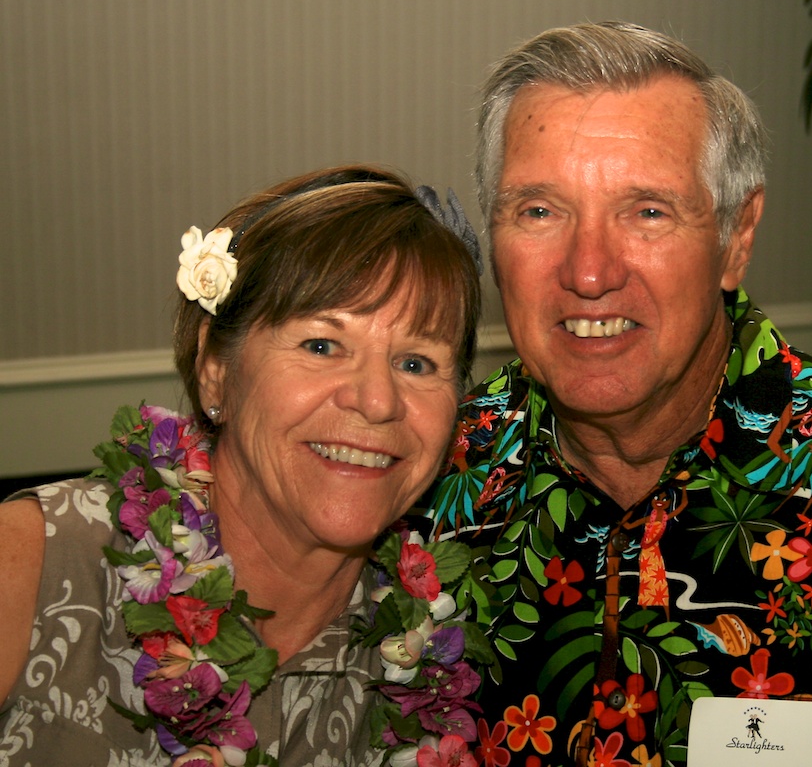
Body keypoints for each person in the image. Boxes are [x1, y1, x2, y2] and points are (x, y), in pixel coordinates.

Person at [425, 22, 812, 767]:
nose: (588, 272)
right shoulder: (424, 479)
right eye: (540, 211)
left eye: (647, 211)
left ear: (736, 238)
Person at [0, 165, 483, 766]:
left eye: (416, 363)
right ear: (216, 369)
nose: (378, 401)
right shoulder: (38, 562)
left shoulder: (430, 665)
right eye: (321, 345)